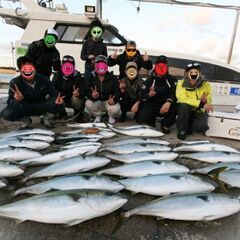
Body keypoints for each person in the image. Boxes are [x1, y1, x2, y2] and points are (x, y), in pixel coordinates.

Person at [1, 56, 65, 128]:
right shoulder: (14, 82)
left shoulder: (44, 79)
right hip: (25, 108)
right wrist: (17, 99)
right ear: (20, 70)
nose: (28, 71)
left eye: (30, 68)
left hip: (41, 106)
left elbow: (54, 94)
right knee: (6, 113)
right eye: (25, 69)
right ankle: (25, 119)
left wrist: (57, 100)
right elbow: (10, 102)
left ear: (35, 69)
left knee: (61, 104)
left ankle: (45, 117)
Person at [135, 55, 178, 133]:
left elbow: (175, 93)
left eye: (164, 64)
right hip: (152, 104)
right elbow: (142, 94)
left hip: (165, 106)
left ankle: (165, 124)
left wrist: (169, 101)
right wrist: (149, 94)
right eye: (159, 64)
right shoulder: (149, 79)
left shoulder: (172, 79)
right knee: (141, 118)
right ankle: (151, 121)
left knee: (175, 105)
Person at [176, 62, 214, 140]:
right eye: (191, 72)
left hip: (198, 110)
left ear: (200, 73)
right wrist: (200, 103)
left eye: (196, 72)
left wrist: (206, 101)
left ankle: (188, 126)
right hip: (186, 109)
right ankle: (182, 130)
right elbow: (182, 98)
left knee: (202, 127)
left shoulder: (206, 85)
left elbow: (209, 97)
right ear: (186, 73)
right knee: (184, 106)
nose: (194, 74)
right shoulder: (180, 83)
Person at [85, 55, 121, 124]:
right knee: (88, 103)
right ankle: (97, 116)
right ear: (95, 65)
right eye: (98, 63)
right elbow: (86, 91)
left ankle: (111, 117)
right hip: (97, 102)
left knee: (116, 109)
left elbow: (118, 92)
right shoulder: (91, 77)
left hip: (109, 102)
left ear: (106, 66)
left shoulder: (112, 78)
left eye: (103, 64)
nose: (101, 66)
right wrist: (92, 95)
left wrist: (114, 99)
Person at [52, 55, 86, 122]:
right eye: (65, 64)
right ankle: (62, 114)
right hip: (62, 99)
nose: (67, 67)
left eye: (70, 65)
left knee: (76, 99)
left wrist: (79, 93)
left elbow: (84, 90)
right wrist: (57, 96)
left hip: (72, 99)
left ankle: (78, 114)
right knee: (50, 96)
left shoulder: (78, 76)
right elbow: (52, 88)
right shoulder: (58, 75)